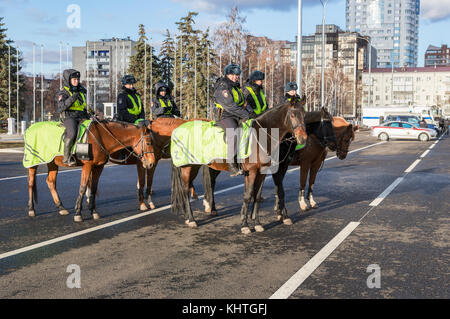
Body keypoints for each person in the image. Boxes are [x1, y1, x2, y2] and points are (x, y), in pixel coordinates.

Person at [214, 63, 257, 176]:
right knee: (233, 132)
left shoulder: (235, 86)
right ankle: (232, 164)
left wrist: (251, 112)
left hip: (237, 115)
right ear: (227, 75)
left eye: (237, 75)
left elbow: (243, 102)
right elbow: (231, 106)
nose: (235, 77)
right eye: (232, 74)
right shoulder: (223, 86)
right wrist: (246, 115)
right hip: (225, 116)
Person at [57, 69, 89, 166]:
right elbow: (61, 108)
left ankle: (84, 155)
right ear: (68, 80)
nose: (76, 81)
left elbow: (83, 106)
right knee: (72, 133)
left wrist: (90, 115)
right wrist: (73, 97)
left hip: (81, 116)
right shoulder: (63, 92)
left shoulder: (81, 91)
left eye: (77, 79)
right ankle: (66, 158)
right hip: (69, 117)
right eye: (74, 79)